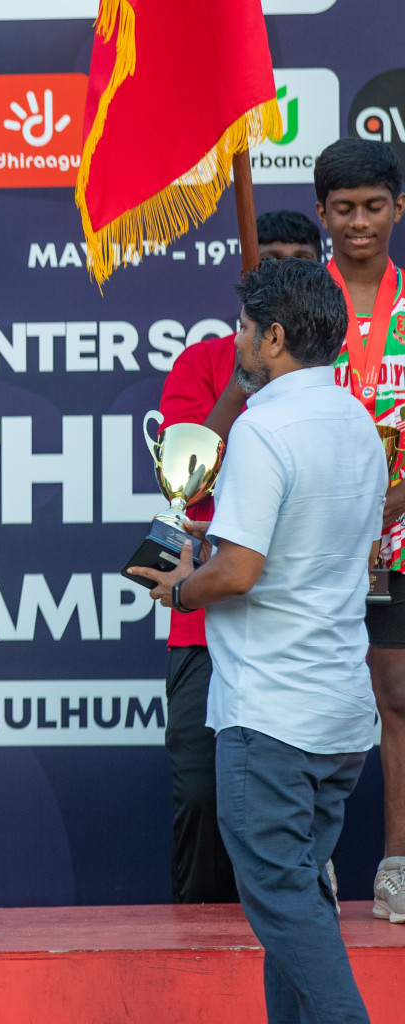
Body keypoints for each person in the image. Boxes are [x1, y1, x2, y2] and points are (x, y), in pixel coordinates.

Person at [132, 256, 382, 1024]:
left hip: (272, 714)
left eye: (243, 327)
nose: (235, 339)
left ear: (272, 337)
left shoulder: (264, 429)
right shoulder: (358, 423)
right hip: (338, 712)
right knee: (297, 903)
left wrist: (180, 585)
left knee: (285, 906)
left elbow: (239, 571)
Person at [155, 210, 321, 905]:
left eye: (298, 263)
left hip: (301, 616)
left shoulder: (336, 381)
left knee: (290, 804)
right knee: (199, 791)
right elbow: (183, 484)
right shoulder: (201, 364)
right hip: (209, 616)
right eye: (268, 262)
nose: (282, 274)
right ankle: (196, 944)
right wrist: (243, 385)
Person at [309, 139, 405, 925]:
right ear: (323, 216)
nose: (360, 222)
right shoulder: (306, 309)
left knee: (398, 696)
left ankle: (396, 863)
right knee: (313, 699)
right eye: (345, 209)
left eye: (375, 206)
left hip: (400, 537)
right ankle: (315, 865)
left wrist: (384, 510)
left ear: (398, 209)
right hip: (313, 543)